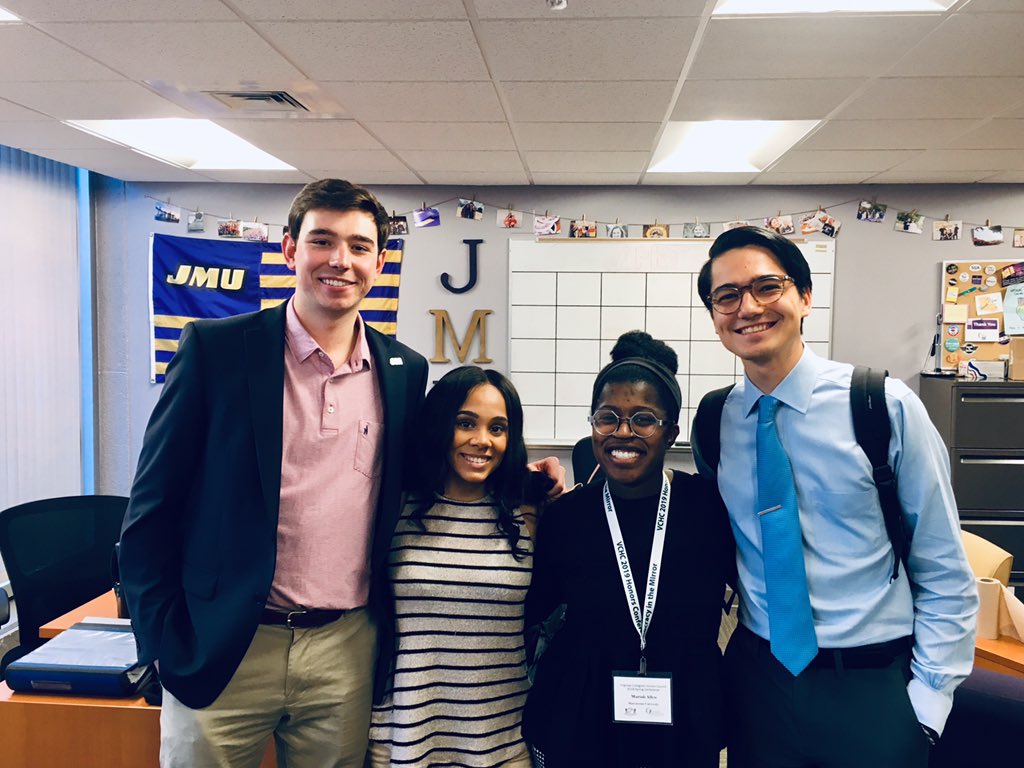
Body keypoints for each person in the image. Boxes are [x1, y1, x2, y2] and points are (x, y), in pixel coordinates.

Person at [119, 178, 429, 768]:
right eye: (323, 241)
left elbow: (425, 481)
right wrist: (160, 643)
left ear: (379, 261)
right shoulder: (216, 351)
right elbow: (150, 512)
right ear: (290, 250)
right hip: (223, 643)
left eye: (360, 246)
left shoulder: (403, 370)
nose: (341, 261)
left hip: (345, 647)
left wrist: (526, 483)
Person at [692, 225, 979, 768]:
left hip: (872, 687)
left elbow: (944, 567)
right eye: (727, 296)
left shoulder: (880, 407)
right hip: (762, 683)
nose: (747, 307)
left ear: (804, 297)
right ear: (714, 317)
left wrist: (928, 702)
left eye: (767, 287)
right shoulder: (715, 419)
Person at [524, 331, 732, 768]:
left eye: (643, 419)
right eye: (608, 418)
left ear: (671, 431)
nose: (623, 433)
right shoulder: (565, 516)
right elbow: (532, 609)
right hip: (583, 710)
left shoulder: (707, 508)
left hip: (684, 708)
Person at [368, 366, 542, 768]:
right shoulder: (395, 508)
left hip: (502, 739)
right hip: (403, 735)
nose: (482, 441)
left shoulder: (528, 512)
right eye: (466, 423)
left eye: (498, 428)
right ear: (439, 424)